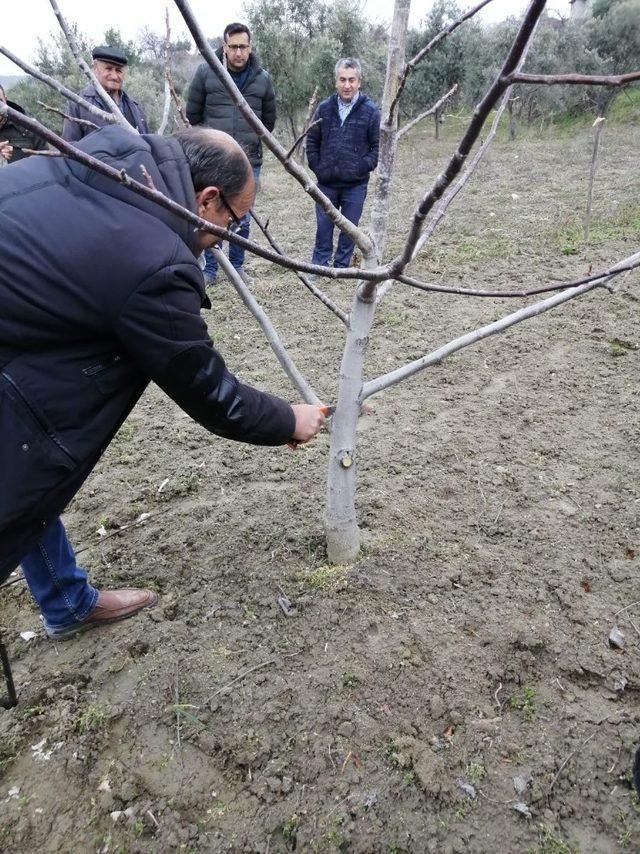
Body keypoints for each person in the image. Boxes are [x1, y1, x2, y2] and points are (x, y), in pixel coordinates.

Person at [0, 123, 325, 639]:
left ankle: (64, 601)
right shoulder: (152, 259)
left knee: (20, 471)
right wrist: (289, 418)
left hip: (21, 330)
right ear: (208, 197)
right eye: (232, 223)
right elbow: (207, 390)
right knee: (23, 455)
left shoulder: (112, 150)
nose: (226, 239)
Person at [186, 22, 276, 285]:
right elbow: (193, 114)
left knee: (241, 215)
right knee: (209, 214)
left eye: (243, 47)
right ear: (224, 47)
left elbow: (267, 121)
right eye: (233, 46)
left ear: (250, 47)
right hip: (213, 160)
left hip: (249, 160)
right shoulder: (206, 72)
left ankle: (237, 267)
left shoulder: (263, 78)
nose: (238, 52)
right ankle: (210, 270)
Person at [306, 58, 380, 269]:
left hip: (355, 185)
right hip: (326, 183)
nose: (347, 85)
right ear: (335, 81)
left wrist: (360, 167)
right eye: (342, 80)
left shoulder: (371, 111)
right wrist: (318, 167)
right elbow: (312, 141)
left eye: (352, 80)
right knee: (323, 227)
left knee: (349, 229)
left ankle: (341, 266)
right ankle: (319, 266)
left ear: (359, 82)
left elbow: (377, 149)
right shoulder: (324, 108)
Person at [61, 45, 149, 142]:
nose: (114, 76)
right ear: (95, 68)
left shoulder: (135, 108)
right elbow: (69, 148)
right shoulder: (77, 105)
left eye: (119, 70)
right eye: (108, 69)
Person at [0, 84, 47, 164]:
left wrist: (18, 154)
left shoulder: (29, 127)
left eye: (0, 101)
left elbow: (47, 162)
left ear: (5, 101)